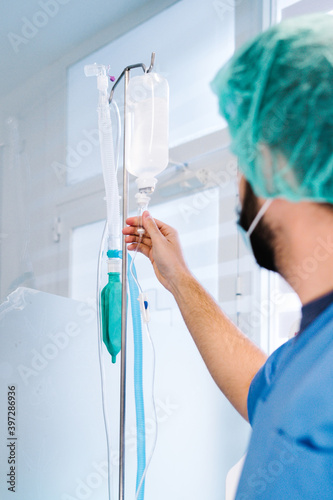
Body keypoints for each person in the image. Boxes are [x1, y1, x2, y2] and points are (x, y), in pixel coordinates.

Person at [123, 13, 333, 499]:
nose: (239, 189)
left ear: (281, 162)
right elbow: (261, 391)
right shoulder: (311, 351)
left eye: (244, 157)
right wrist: (178, 279)